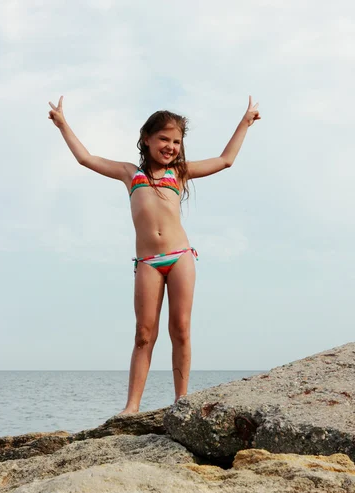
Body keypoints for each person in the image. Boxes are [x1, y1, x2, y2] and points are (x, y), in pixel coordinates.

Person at [48, 96, 260, 414]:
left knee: (181, 328)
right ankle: (132, 406)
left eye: (176, 141)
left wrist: (245, 122)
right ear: (146, 139)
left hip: (180, 257)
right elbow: (86, 158)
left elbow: (225, 160)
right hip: (147, 262)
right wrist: (63, 124)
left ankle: (181, 400)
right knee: (144, 333)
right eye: (163, 138)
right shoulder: (129, 173)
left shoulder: (179, 173)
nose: (170, 146)